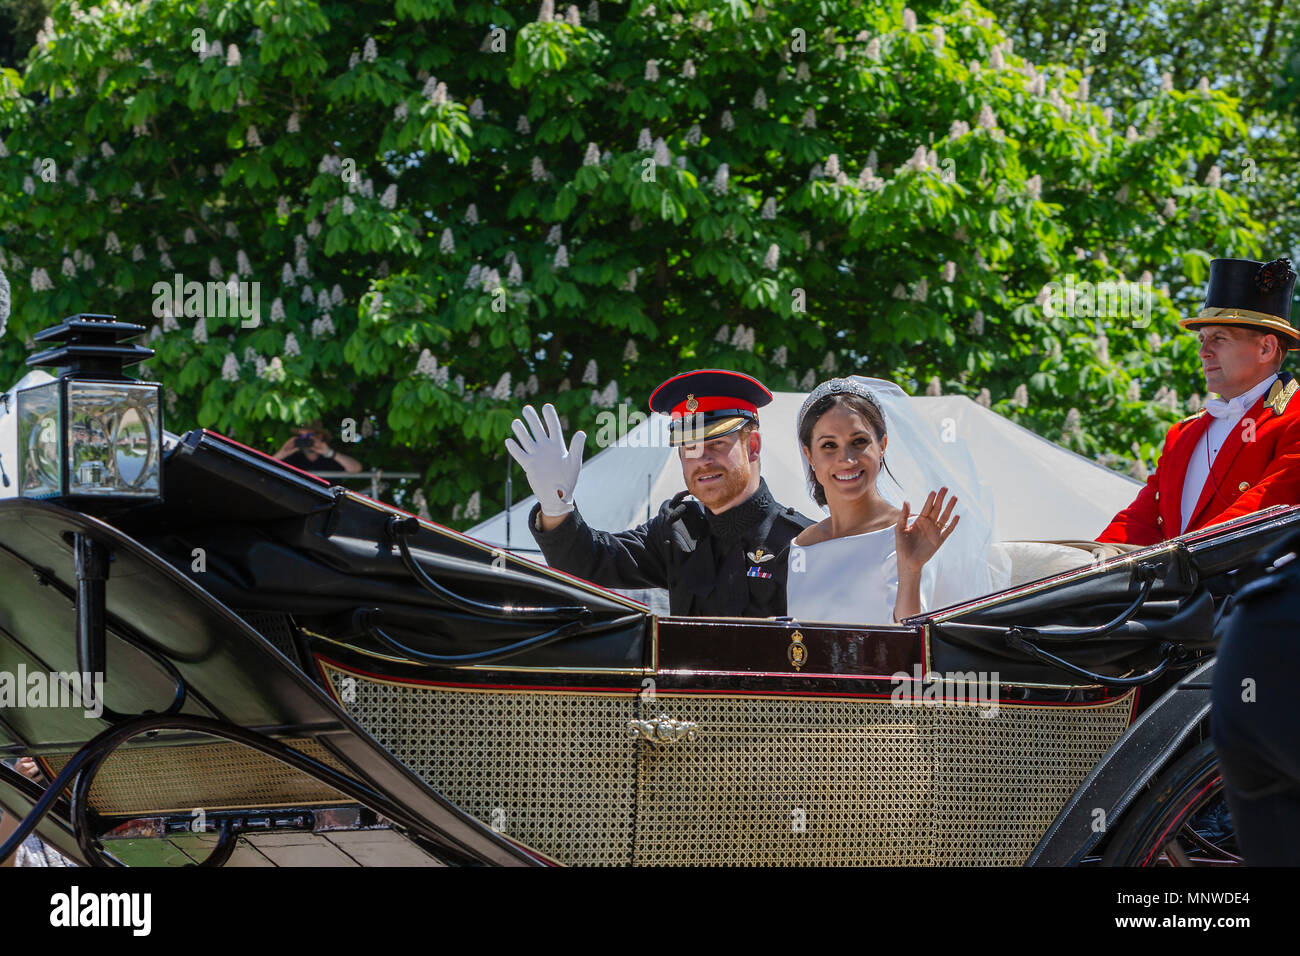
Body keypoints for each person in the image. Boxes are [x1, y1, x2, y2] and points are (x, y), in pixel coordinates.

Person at [505, 369, 815, 617]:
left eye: (717, 444)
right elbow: (591, 563)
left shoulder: (802, 542)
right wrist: (556, 506)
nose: (703, 460)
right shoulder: (677, 530)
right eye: (690, 447)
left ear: (754, 446)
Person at [1098, 257, 1300, 545]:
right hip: (1182, 587)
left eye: (1219, 339)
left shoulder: (1294, 418)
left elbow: (1260, 517)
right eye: (1202, 340)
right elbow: (1139, 522)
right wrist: (1084, 564)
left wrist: (1175, 562)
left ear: (1266, 348)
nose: (1203, 352)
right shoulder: (1182, 435)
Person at [786, 378, 961, 624]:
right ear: (809, 455)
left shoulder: (910, 534)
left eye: (859, 442)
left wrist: (911, 570)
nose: (846, 459)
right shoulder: (802, 545)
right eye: (828, 445)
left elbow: (911, 645)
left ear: (882, 445)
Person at [272, 422, 363, 475]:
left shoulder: (331, 459)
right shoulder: (292, 458)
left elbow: (356, 468)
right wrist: (282, 453)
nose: (307, 440)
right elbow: (265, 468)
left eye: (310, 435)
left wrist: (329, 453)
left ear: (321, 436)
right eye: (302, 436)